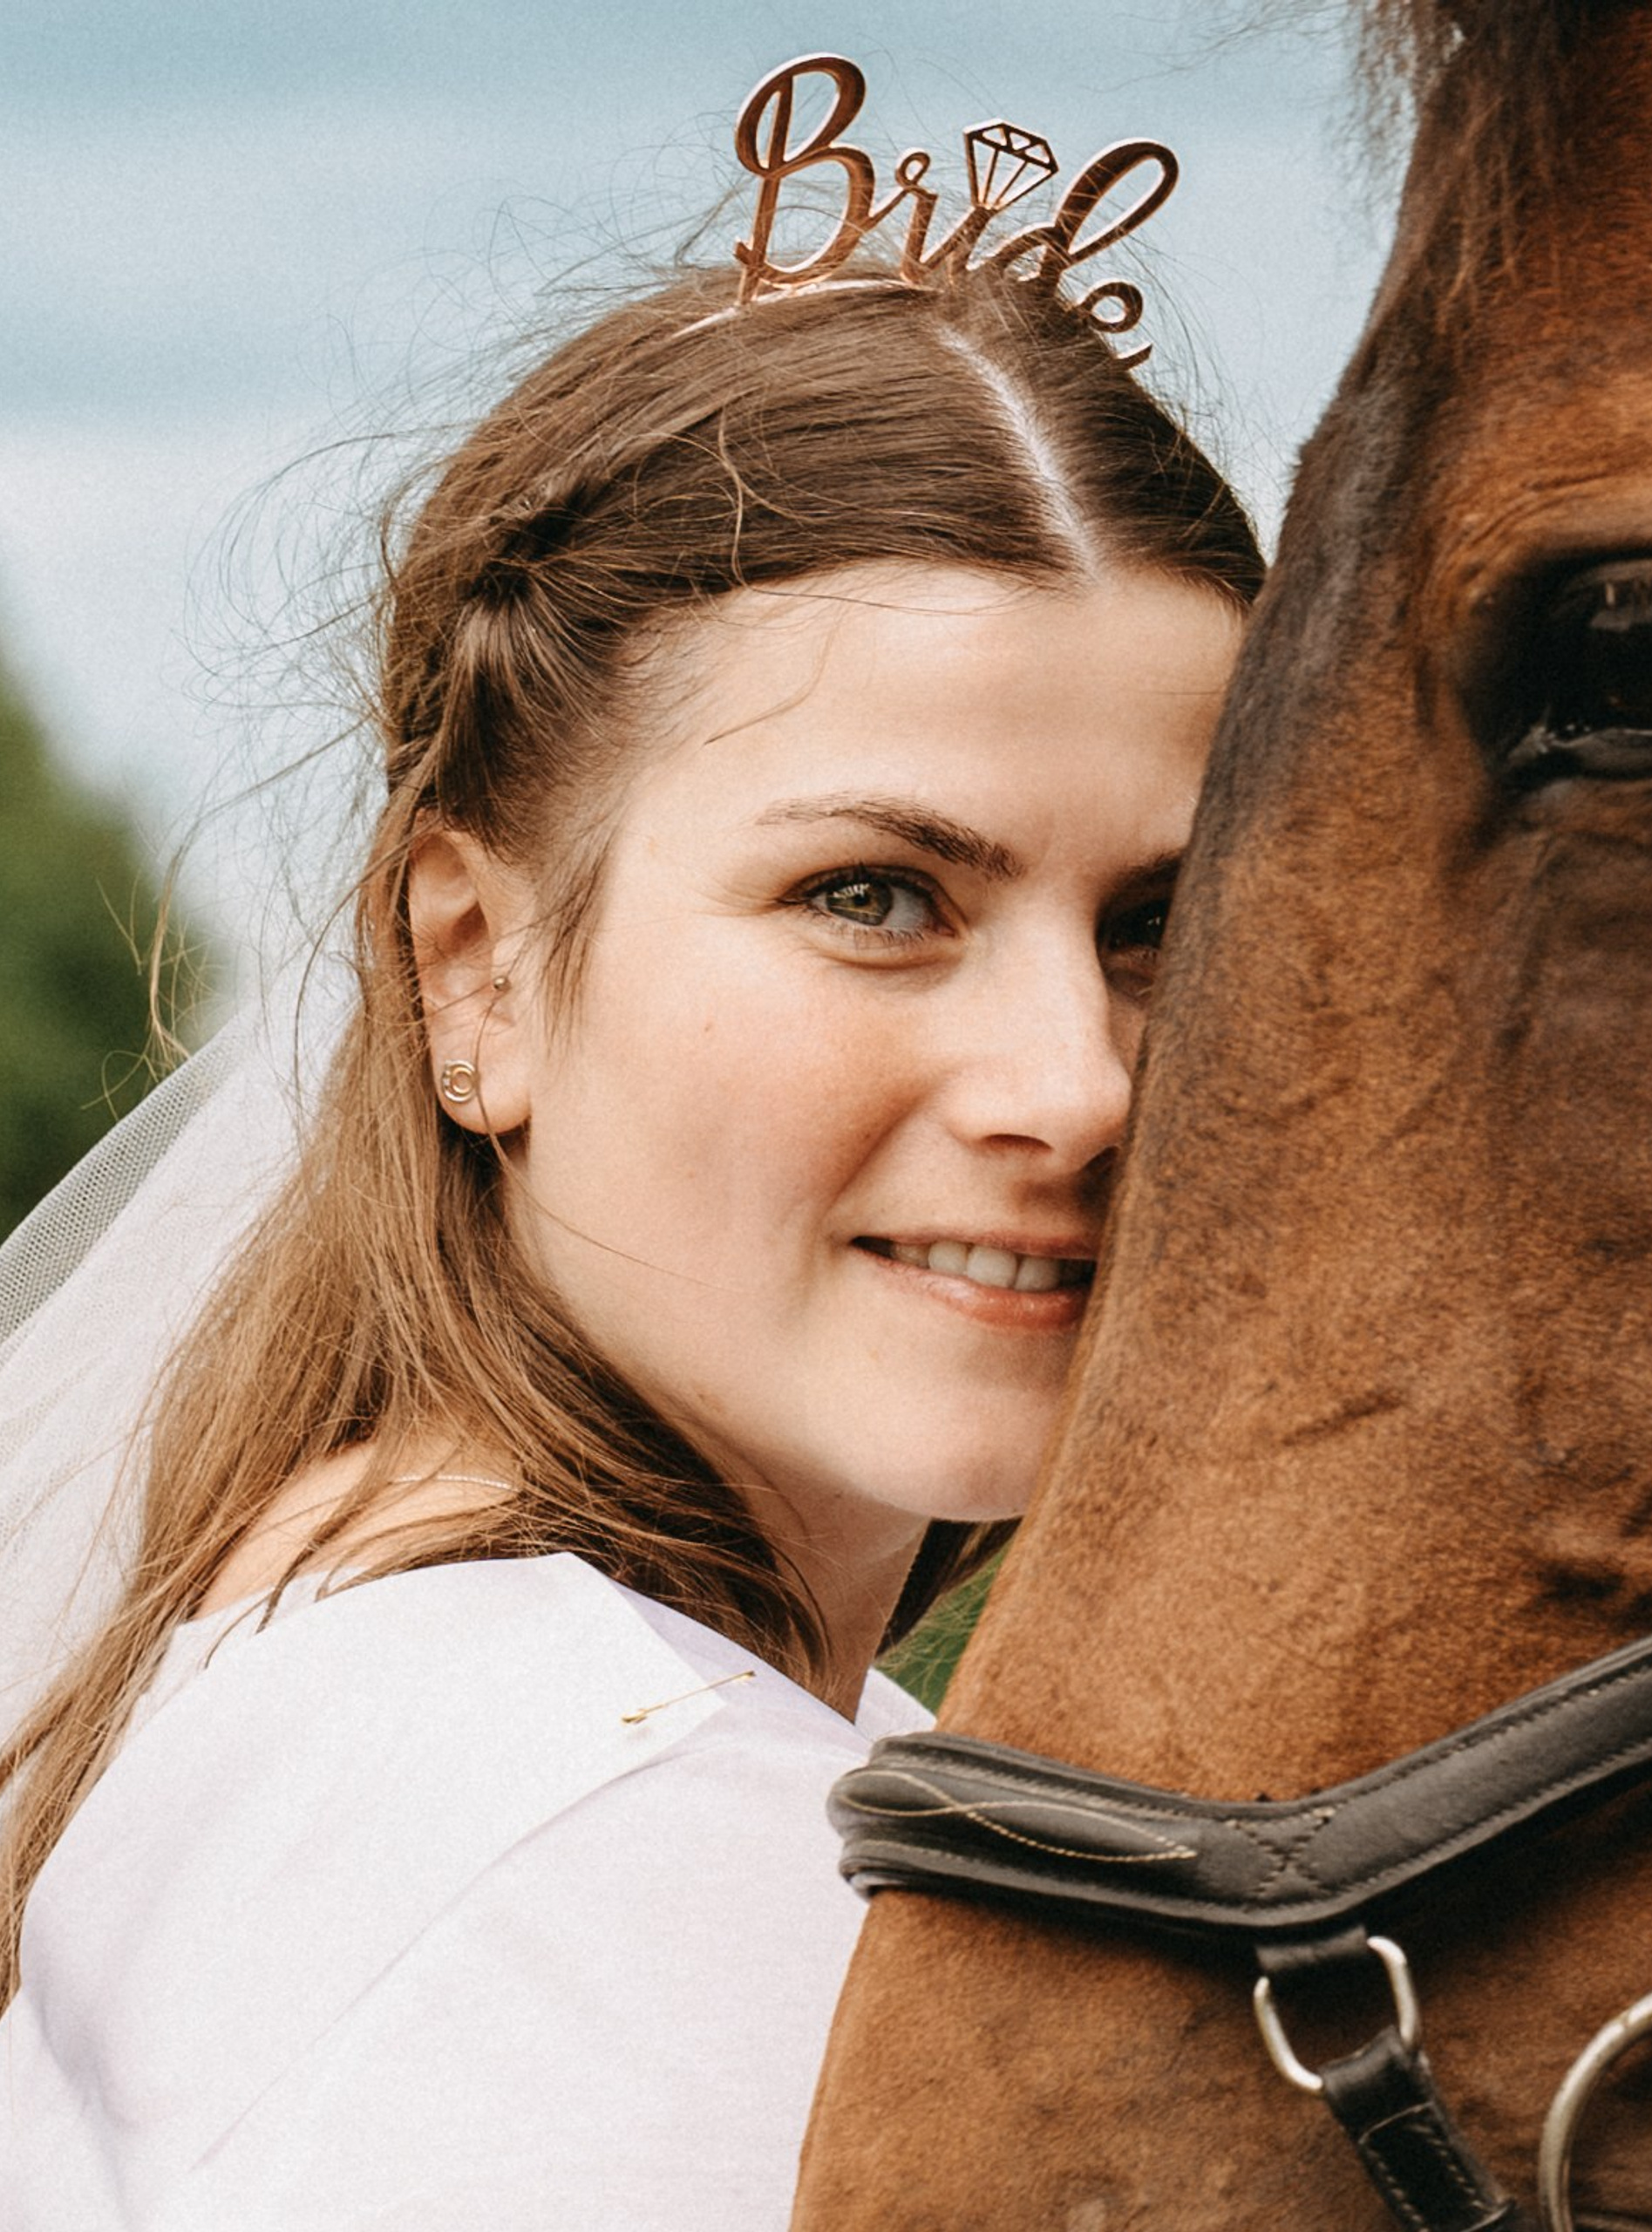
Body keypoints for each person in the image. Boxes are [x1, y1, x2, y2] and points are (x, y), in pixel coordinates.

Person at [0, 59, 1261, 2228]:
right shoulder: (633, 1862)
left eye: (1162, 924)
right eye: (876, 895)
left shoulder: (357, 1670)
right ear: (476, 970)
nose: (1076, 1082)